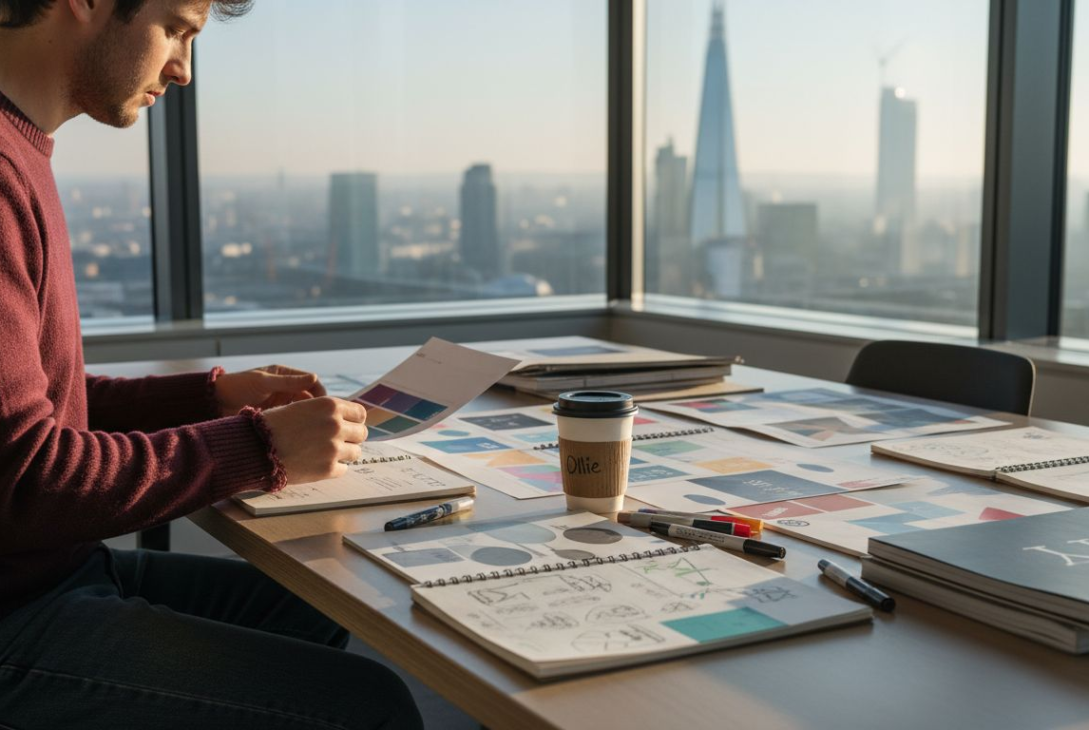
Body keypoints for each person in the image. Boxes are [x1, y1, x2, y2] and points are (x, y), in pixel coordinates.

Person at [0, 0, 424, 727]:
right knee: (367, 707)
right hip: (18, 609)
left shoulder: (21, 150)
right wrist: (259, 447)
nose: (183, 70)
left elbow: (39, 406)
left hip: (49, 573)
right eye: (177, 28)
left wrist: (211, 397)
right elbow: (24, 483)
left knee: (306, 605)